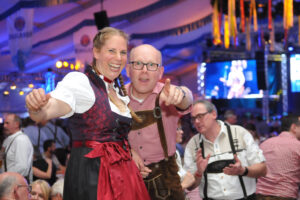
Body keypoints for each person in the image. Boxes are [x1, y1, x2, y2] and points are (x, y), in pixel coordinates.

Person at [25, 27, 150, 200]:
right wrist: (36, 107)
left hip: (124, 176)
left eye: (122, 52)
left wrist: (129, 152)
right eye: (111, 51)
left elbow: (116, 135)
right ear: (96, 52)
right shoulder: (81, 82)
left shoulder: (118, 91)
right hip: (93, 175)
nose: (119, 58)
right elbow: (47, 111)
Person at [125, 44, 193, 200]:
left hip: (165, 181)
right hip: (126, 179)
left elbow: (187, 99)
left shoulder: (168, 93)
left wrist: (181, 94)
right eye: (138, 64)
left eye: (151, 65)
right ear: (128, 70)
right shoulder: (116, 99)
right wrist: (128, 154)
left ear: (160, 72)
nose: (144, 70)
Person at [184, 100, 267, 200]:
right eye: (193, 119)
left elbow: (263, 169)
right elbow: (190, 186)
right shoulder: (193, 144)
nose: (196, 122)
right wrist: (199, 173)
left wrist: (243, 170)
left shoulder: (239, 133)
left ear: (213, 114)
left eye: (200, 116)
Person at [256, 114, 300, 200]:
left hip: (260, 195)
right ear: (294, 127)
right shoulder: (297, 145)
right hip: (285, 195)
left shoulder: (264, 144)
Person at [1, 113, 33, 182]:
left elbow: (22, 167)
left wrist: (4, 177)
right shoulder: (9, 139)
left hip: (16, 184)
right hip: (9, 182)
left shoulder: (21, 140)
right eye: (4, 123)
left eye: (7, 123)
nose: (4, 126)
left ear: (16, 124)